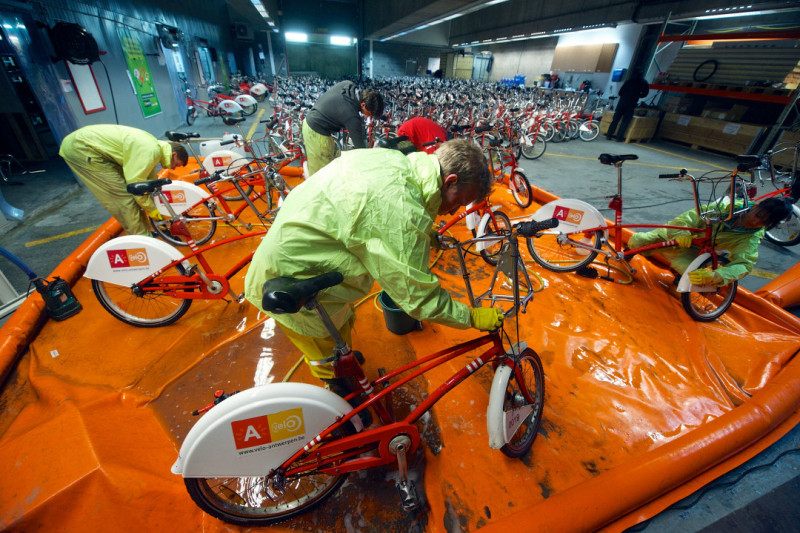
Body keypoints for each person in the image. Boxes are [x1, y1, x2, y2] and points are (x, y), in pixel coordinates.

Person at [244, 139, 502, 400]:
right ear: (450, 181)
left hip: (300, 247)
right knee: (324, 350)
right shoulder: (403, 211)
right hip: (290, 273)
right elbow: (417, 297)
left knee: (337, 327)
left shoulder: (395, 162)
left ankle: (342, 357)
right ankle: (344, 402)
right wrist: (470, 317)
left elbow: (372, 214)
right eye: (461, 201)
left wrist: (427, 232)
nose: (455, 211)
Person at [627, 197, 793, 286]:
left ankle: (680, 274)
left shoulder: (751, 237)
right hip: (677, 236)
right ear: (755, 205)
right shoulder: (725, 207)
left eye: (764, 222)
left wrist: (716, 275)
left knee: (693, 277)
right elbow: (689, 217)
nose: (756, 223)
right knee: (637, 242)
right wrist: (680, 233)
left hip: (696, 251)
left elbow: (744, 264)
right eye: (758, 215)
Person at [59, 125, 188, 236]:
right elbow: (136, 186)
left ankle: (144, 232)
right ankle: (141, 240)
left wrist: (156, 203)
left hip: (92, 146)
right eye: (176, 164)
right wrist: (152, 210)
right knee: (124, 198)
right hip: (81, 148)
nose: (174, 168)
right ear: (174, 154)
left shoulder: (155, 148)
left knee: (136, 196)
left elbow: (149, 178)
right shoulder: (150, 151)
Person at [302, 80, 384, 176]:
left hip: (311, 123)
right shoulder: (352, 116)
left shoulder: (349, 85)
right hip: (316, 132)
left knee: (326, 166)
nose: (368, 117)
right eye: (369, 114)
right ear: (363, 105)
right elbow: (360, 150)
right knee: (322, 176)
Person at [605, 68, 649, 142]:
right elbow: (645, 94)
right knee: (625, 121)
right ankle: (619, 137)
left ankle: (609, 135)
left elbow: (620, 92)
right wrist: (637, 95)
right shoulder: (644, 82)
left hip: (622, 102)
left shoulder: (629, 81)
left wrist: (625, 96)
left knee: (615, 119)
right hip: (631, 103)